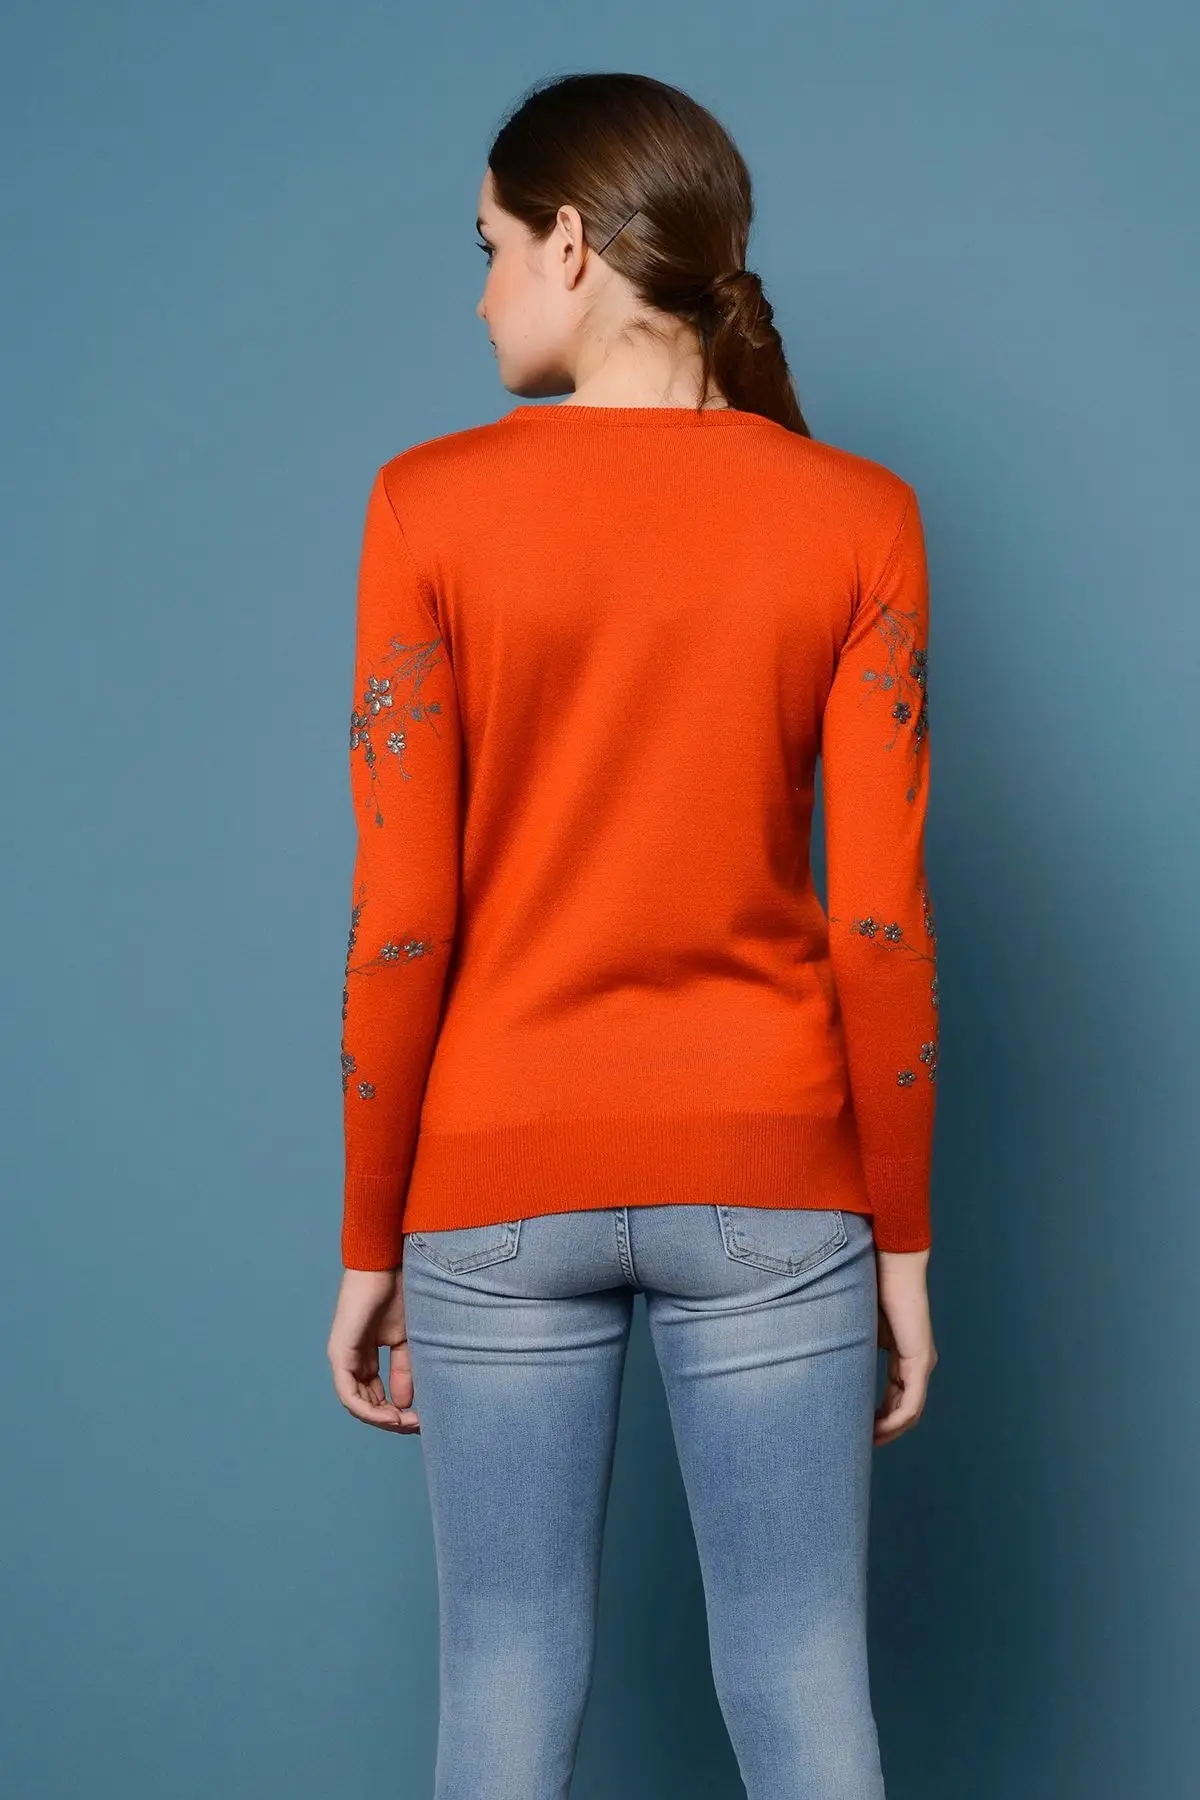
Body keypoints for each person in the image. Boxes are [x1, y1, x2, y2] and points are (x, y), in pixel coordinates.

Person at [327, 69, 939, 1800]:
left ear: (573, 244)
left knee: (505, 1678)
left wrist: (372, 1230)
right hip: (777, 1181)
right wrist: (900, 1237)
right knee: (802, 1682)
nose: (480, 293)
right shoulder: (859, 516)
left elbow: (401, 921)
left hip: (492, 1182)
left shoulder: (424, 505)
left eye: (489, 247)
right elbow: (880, 922)